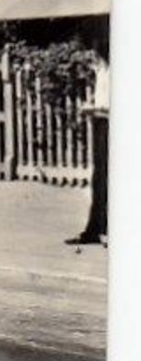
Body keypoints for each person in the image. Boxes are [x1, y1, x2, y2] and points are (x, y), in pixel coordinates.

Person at [69, 37, 110, 246]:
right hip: (100, 124)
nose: (92, 56)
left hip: (111, 124)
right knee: (99, 178)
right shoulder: (101, 71)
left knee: (109, 177)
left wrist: (92, 109)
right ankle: (95, 227)